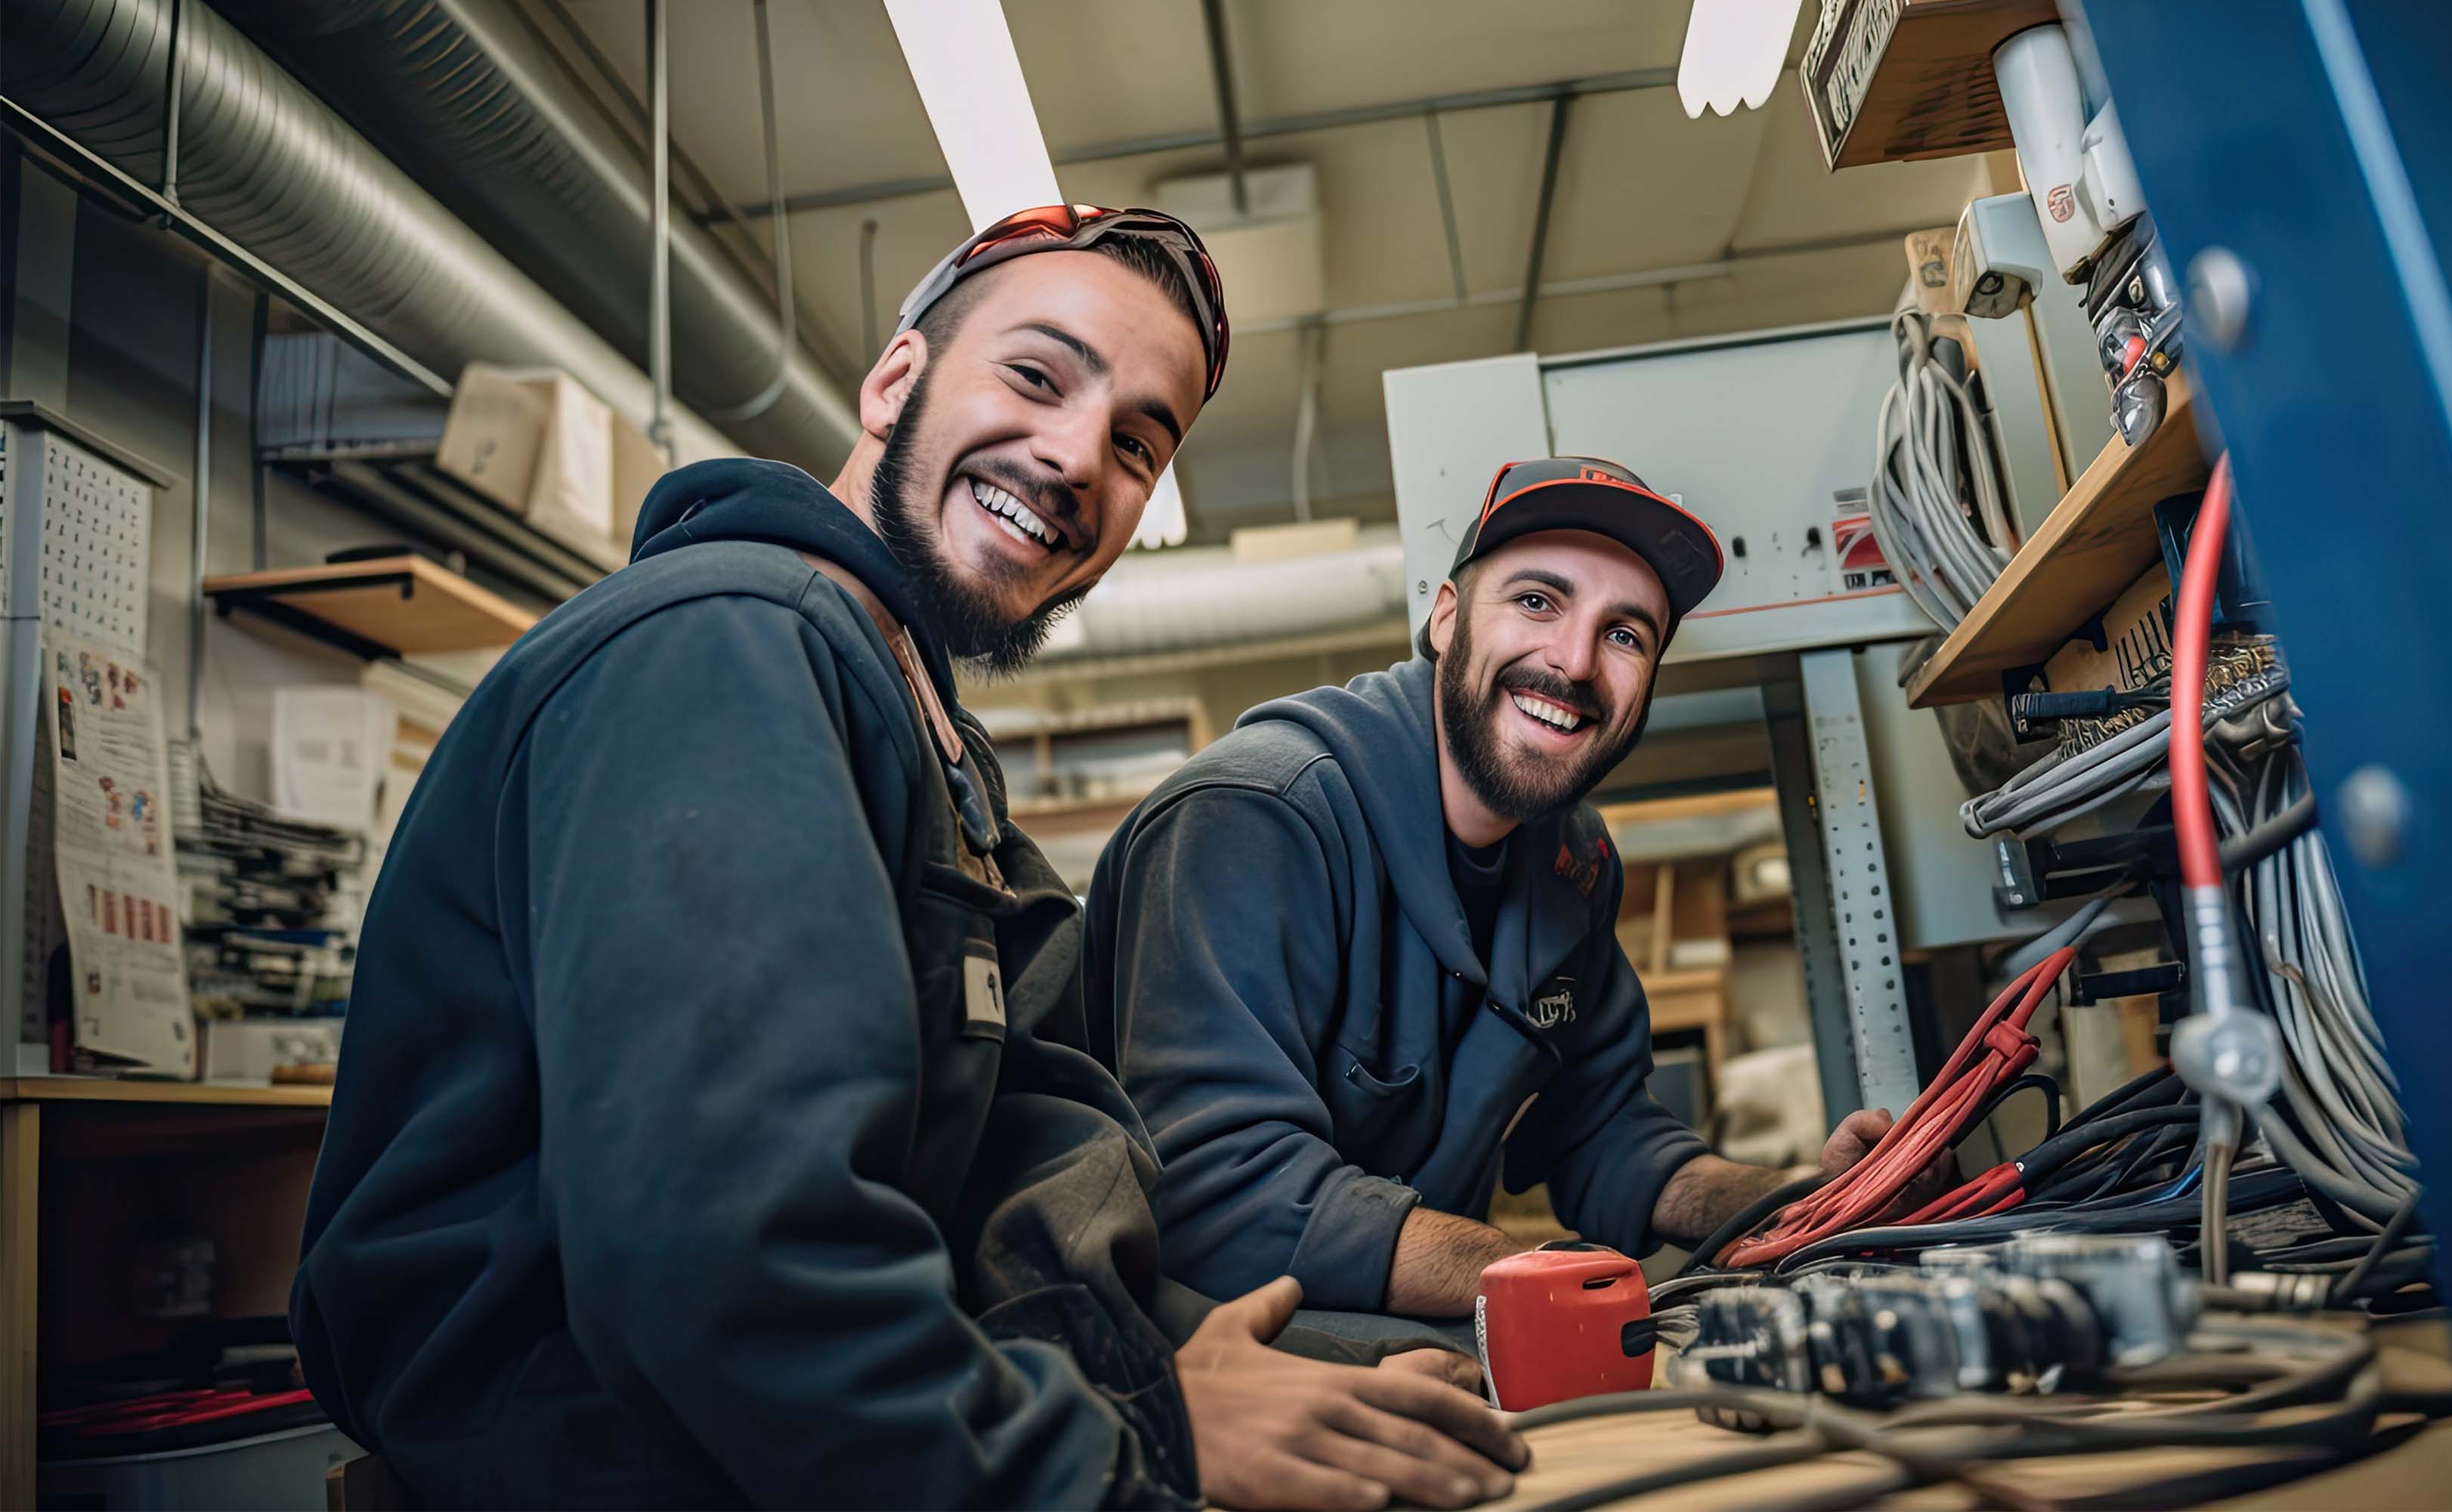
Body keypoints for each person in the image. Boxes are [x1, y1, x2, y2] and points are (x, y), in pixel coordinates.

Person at [292, 206, 1526, 1510]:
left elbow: (1030, 1167)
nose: (1071, 457)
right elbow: (733, 1266)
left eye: (1133, 444)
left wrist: (1209, 1361)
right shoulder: (728, 645)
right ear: (893, 380)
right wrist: (1133, 1446)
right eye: (1035, 375)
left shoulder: (933, 745)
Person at [1084, 456, 1922, 1340]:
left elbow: (1599, 1134)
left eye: (1626, 635)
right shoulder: (1255, 818)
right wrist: (1529, 1274)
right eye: (1536, 602)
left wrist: (1798, 1204)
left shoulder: (1575, 862)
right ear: (1445, 619)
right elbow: (1219, 1198)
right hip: (1190, 1349)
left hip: (1386, 1329)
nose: (1574, 661)